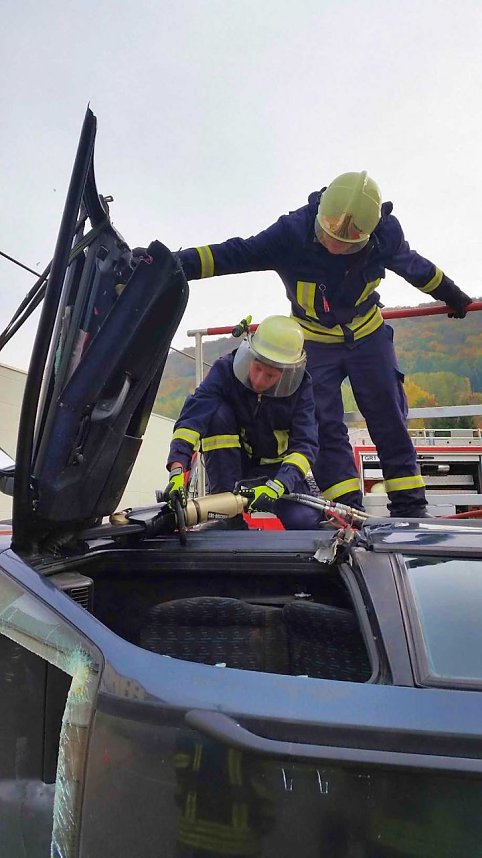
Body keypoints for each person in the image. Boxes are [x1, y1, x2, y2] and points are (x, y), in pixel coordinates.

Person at [175, 171, 473, 517]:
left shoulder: (385, 236)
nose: (334, 245)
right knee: (324, 425)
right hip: (315, 343)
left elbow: (417, 268)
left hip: (368, 335)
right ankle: (346, 512)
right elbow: (236, 253)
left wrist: (453, 295)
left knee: (388, 416)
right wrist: (172, 264)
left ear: (368, 233)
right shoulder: (291, 233)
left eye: (346, 242)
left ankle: (410, 508)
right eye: (329, 234)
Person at [163, 315, 324, 529]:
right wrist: (177, 469)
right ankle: (227, 516)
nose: (258, 381)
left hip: (277, 472)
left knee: (305, 521)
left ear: (287, 374)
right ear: (249, 355)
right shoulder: (225, 370)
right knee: (216, 414)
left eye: (270, 376)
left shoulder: (300, 387)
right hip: (232, 466)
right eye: (257, 369)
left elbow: (305, 445)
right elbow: (193, 417)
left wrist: (280, 484)